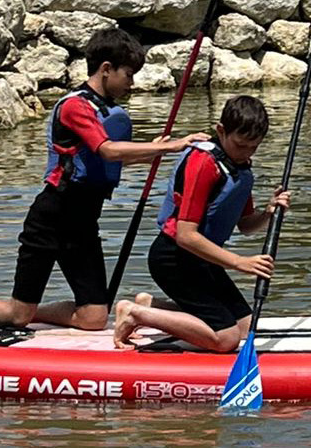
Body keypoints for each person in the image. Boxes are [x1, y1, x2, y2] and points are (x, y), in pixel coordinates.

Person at [0, 29, 206, 331]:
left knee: (94, 318)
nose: (131, 83)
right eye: (128, 74)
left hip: (82, 223)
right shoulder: (76, 106)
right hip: (51, 219)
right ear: (106, 69)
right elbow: (108, 151)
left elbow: (107, 160)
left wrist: (154, 152)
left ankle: (34, 314)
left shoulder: (107, 111)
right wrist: (170, 145)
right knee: (19, 314)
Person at [113, 95, 289, 352]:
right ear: (221, 130)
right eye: (241, 145)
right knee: (226, 339)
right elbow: (185, 235)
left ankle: (152, 306)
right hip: (174, 259)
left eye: (254, 147)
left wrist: (268, 212)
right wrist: (240, 262)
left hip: (201, 261)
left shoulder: (238, 167)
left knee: (246, 326)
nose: (247, 153)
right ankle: (133, 314)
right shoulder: (203, 163)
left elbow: (244, 225)